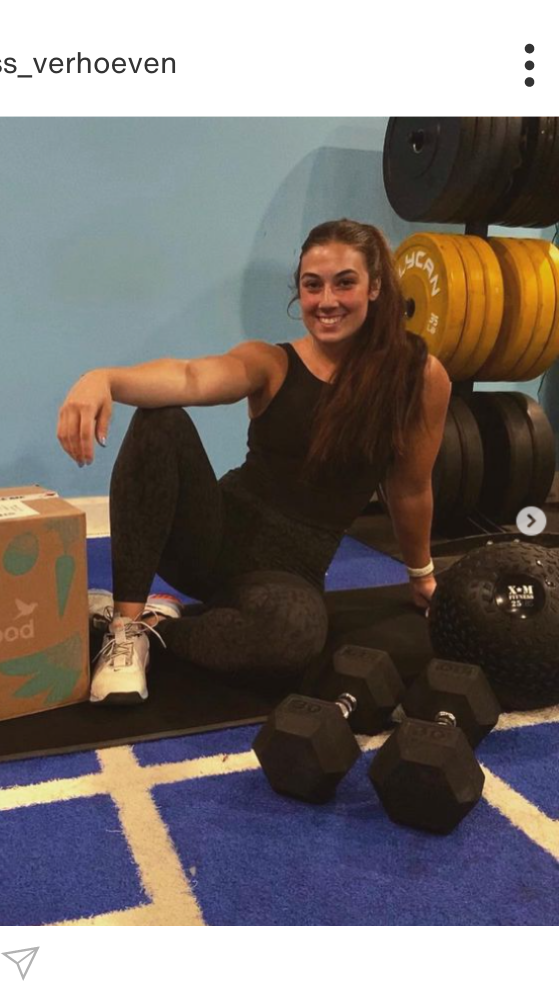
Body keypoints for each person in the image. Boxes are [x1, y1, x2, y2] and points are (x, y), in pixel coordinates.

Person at [57, 219, 451, 705]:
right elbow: (191, 376)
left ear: (375, 287)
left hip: (289, 571)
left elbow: (410, 487)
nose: (326, 300)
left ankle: (158, 627)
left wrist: (421, 574)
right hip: (213, 535)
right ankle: (126, 626)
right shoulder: (272, 362)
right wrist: (104, 378)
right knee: (160, 421)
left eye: (344, 282)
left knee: (294, 638)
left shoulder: (419, 377)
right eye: (312, 285)